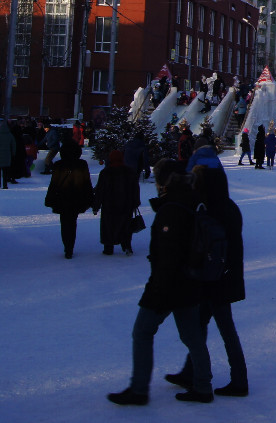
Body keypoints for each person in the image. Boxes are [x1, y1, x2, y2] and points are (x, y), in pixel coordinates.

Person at [107, 160, 214, 406]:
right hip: (189, 280)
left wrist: (158, 290)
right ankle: (203, 385)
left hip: (169, 284)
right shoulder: (192, 199)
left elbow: (168, 254)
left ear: (165, 182)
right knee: (192, 336)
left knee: (142, 332)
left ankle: (139, 389)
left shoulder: (172, 208)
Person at [167, 165, 248, 398]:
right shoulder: (229, 206)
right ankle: (190, 370)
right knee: (205, 326)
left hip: (213, 278)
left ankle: (238, 380)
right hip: (226, 275)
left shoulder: (210, 209)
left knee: (219, 328)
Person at [45, 140, 95, 259]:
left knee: (65, 223)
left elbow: (54, 183)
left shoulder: (58, 165)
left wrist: (50, 199)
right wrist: (90, 198)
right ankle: (70, 247)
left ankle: (67, 247)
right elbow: (86, 183)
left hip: (62, 198)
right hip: (76, 199)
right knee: (73, 223)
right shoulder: (82, 164)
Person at [96, 149, 141, 256]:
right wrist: (135, 202)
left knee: (108, 226)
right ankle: (126, 245)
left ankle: (108, 247)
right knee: (125, 225)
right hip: (126, 204)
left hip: (109, 205)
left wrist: (96, 205)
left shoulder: (105, 173)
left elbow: (100, 190)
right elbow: (135, 188)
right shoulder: (129, 172)